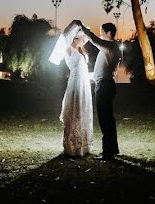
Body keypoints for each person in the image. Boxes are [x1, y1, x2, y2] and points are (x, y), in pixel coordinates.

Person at [49, 20, 94, 157]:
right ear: (75, 38)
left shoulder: (81, 51)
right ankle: (72, 145)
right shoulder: (68, 49)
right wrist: (75, 24)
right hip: (75, 83)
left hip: (84, 83)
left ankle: (83, 145)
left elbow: (84, 69)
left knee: (83, 110)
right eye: (82, 39)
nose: (84, 42)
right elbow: (64, 36)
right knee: (75, 111)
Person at [77, 20, 120, 160]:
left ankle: (108, 153)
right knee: (108, 118)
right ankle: (112, 150)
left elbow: (94, 39)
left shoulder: (110, 46)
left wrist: (82, 27)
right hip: (106, 84)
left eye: (102, 32)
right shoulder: (112, 47)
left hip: (104, 86)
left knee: (104, 119)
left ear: (108, 33)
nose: (101, 34)